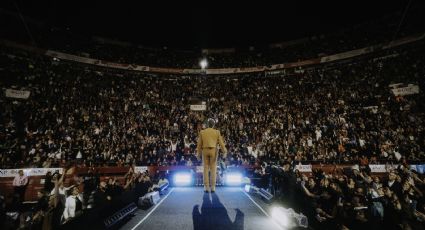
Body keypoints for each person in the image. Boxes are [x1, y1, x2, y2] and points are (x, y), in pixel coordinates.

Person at [197, 118, 227, 193]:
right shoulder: (217, 132)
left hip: (205, 150)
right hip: (213, 150)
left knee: (205, 169)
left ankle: (206, 187)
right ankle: (213, 187)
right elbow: (221, 143)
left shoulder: (202, 132)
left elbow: (199, 144)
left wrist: (198, 154)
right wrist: (224, 151)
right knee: (213, 169)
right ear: (213, 125)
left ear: (207, 124)